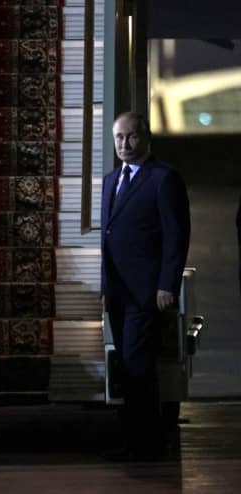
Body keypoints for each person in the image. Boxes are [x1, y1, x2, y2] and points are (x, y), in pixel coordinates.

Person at [101, 112, 191, 460]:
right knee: (127, 365)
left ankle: (148, 441)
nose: (124, 144)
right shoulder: (111, 181)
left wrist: (167, 284)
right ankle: (134, 439)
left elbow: (176, 235)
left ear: (146, 138)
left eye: (131, 137)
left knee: (139, 364)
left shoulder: (163, 178)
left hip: (147, 291)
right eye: (119, 137)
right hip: (118, 292)